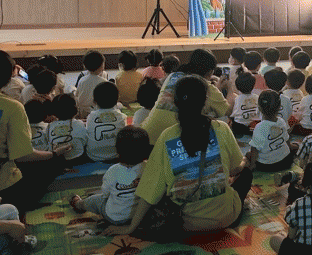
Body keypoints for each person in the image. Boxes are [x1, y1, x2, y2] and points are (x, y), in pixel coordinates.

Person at [104, 75, 253, 237]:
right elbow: (235, 169)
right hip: (227, 218)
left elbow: (150, 189)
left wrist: (131, 227)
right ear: (205, 102)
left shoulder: (167, 137)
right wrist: (245, 161)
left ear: (175, 103)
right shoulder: (222, 129)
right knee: (246, 174)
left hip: (187, 225)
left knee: (166, 191)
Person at [0, 50, 70, 213]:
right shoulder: (12, 107)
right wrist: (54, 154)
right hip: (3, 186)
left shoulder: (18, 100)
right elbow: (23, 156)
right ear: (9, 77)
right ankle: (21, 202)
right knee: (56, 161)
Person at [141, 48, 229, 145]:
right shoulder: (207, 87)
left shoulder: (172, 76)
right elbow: (227, 111)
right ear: (210, 71)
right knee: (220, 120)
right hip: (172, 145)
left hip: (146, 136)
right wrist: (228, 88)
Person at [69, 126, 149, 225]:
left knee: (95, 200)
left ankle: (78, 204)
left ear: (117, 150)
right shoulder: (148, 167)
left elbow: (105, 193)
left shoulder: (113, 170)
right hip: (140, 216)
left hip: (114, 217)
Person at [247, 90, 293, 172]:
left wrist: (252, 165)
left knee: (248, 155)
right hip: (286, 161)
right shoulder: (282, 121)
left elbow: (254, 149)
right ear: (279, 107)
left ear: (259, 108)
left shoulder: (259, 127)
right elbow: (287, 140)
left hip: (266, 166)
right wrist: (290, 151)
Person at [86, 82, 127, 162]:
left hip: (93, 156)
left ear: (94, 101)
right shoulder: (122, 117)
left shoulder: (91, 116)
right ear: (117, 100)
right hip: (116, 155)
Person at [47, 94, 88, 163]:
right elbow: (84, 141)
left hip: (58, 160)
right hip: (78, 158)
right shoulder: (79, 124)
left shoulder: (49, 126)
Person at [75, 50, 107, 118]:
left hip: (83, 112)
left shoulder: (82, 79)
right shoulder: (104, 82)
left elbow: (77, 95)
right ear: (102, 66)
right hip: (97, 113)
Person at [228, 71, 259, 137]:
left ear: (237, 87)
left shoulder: (237, 98)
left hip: (240, 126)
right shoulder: (257, 97)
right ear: (253, 85)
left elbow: (232, 114)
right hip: (254, 125)